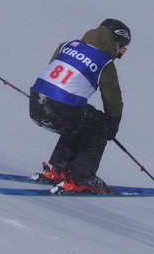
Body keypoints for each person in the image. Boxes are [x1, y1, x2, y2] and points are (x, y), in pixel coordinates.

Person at [29, 19, 130, 192]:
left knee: (84, 118)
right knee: (99, 125)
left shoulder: (67, 45)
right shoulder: (104, 62)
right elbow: (113, 101)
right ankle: (82, 177)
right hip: (59, 112)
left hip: (36, 104)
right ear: (115, 41)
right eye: (121, 49)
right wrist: (112, 126)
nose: (119, 55)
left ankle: (58, 169)